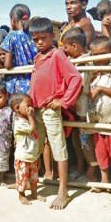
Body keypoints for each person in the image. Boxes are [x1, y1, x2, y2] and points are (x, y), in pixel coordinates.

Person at [29, 17, 82, 210]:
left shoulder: (58, 55)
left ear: (53, 36)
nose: (39, 42)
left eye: (43, 38)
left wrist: (64, 101)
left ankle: (63, 191)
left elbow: (75, 78)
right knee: (34, 147)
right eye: (35, 39)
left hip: (51, 110)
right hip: (36, 110)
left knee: (59, 149)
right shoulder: (38, 57)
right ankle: (30, 183)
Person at [87, 36, 111, 192]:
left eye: (102, 54)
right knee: (100, 151)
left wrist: (102, 89)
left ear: (110, 53)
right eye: (95, 55)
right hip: (97, 121)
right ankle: (104, 180)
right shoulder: (91, 72)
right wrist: (92, 77)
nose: (99, 59)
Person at [61, 27, 99, 182]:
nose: (64, 50)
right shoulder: (72, 60)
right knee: (77, 137)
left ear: (74, 46)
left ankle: (92, 167)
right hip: (75, 107)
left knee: (85, 138)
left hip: (84, 108)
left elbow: (80, 85)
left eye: (66, 47)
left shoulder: (86, 60)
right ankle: (80, 165)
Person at [10, 93, 45, 204]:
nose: (31, 108)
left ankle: (34, 193)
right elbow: (32, 130)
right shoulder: (19, 123)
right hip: (23, 158)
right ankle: (21, 196)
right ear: (17, 108)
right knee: (22, 179)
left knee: (34, 178)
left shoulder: (26, 120)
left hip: (32, 155)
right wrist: (31, 117)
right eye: (28, 105)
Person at [0, 4, 37, 94]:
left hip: (18, 85)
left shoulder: (11, 36)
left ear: (12, 20)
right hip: (35, 80)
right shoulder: (35, 34)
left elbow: (8, 65)